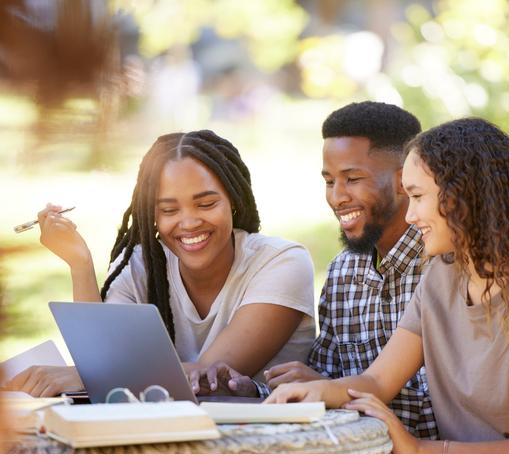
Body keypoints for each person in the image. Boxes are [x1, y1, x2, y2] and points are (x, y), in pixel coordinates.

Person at [266, 118, 509, 454]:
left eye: (418, 196)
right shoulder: (439, 278)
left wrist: (419, 450)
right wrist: (314, 392)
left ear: (462, 196)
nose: (410, 215)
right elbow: (378, 381)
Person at [221, 102, 451, 454]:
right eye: (329, 181)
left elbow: (435, 404)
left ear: (403, 179)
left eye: (352, 178)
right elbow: (325, 381)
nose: (336, 196)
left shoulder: (444, 266)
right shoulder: (344, 272)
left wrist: (336, 391)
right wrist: (253, 391)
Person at [5, 130, 316, 398]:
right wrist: (79, 263)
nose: (189, 222)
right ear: (151, 216)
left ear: (233, 200)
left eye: (206, 204)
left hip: (272, 450)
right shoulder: (141, 266)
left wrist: (90, 376)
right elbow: (101, 358)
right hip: (175, 444)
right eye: (168, 210)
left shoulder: (281, 262)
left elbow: (209, 375)